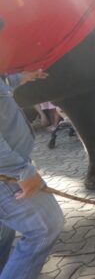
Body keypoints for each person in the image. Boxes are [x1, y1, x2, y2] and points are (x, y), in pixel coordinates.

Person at [1, 71, 65, 279]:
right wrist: (23, 171)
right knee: (45, 226)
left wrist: (17, 79)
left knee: (3, 233)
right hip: (7, 173)